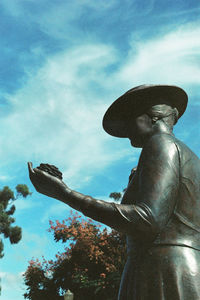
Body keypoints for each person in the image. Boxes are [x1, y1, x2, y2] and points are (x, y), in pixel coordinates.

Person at [28, 85, 200, 300]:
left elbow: (148, 220)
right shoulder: (183, 153)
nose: (126, 130)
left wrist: (64, 194)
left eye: (129, 120)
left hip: (163, 270)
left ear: (152, 117)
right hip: (165, 266)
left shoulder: (161, 144)